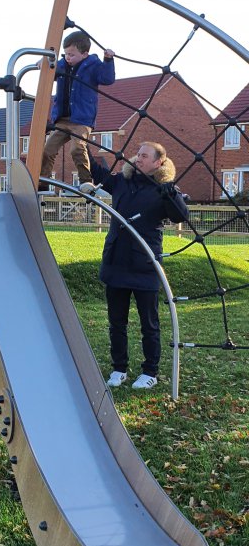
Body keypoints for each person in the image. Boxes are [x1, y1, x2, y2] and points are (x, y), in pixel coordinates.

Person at [89, 141, 189, 390]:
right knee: (116, 321)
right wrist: (81, 143)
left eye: (145, 156)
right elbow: (98, 172)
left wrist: (171, 192)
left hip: (144, 265)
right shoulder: (123, 181)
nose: (138, 158)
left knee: (149, 322)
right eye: (138, 154)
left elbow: (180, 215)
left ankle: (150, 372)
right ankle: (119, 368)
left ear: (158, 162)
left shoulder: (162, 188)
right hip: (116, 262)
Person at [38, 31, 115, 193]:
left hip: (82, 120)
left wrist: (108, 60)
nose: (68, 57)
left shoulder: (93, 66)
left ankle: (86, 181)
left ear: (85, 54)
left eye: (71, 55)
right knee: (48, 149)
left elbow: (107, 79)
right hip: (62, 119)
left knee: (77, 148)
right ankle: (43, 182)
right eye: (66, 53)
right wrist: (43, 62)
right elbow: (49, 71)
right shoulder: (62, 64)